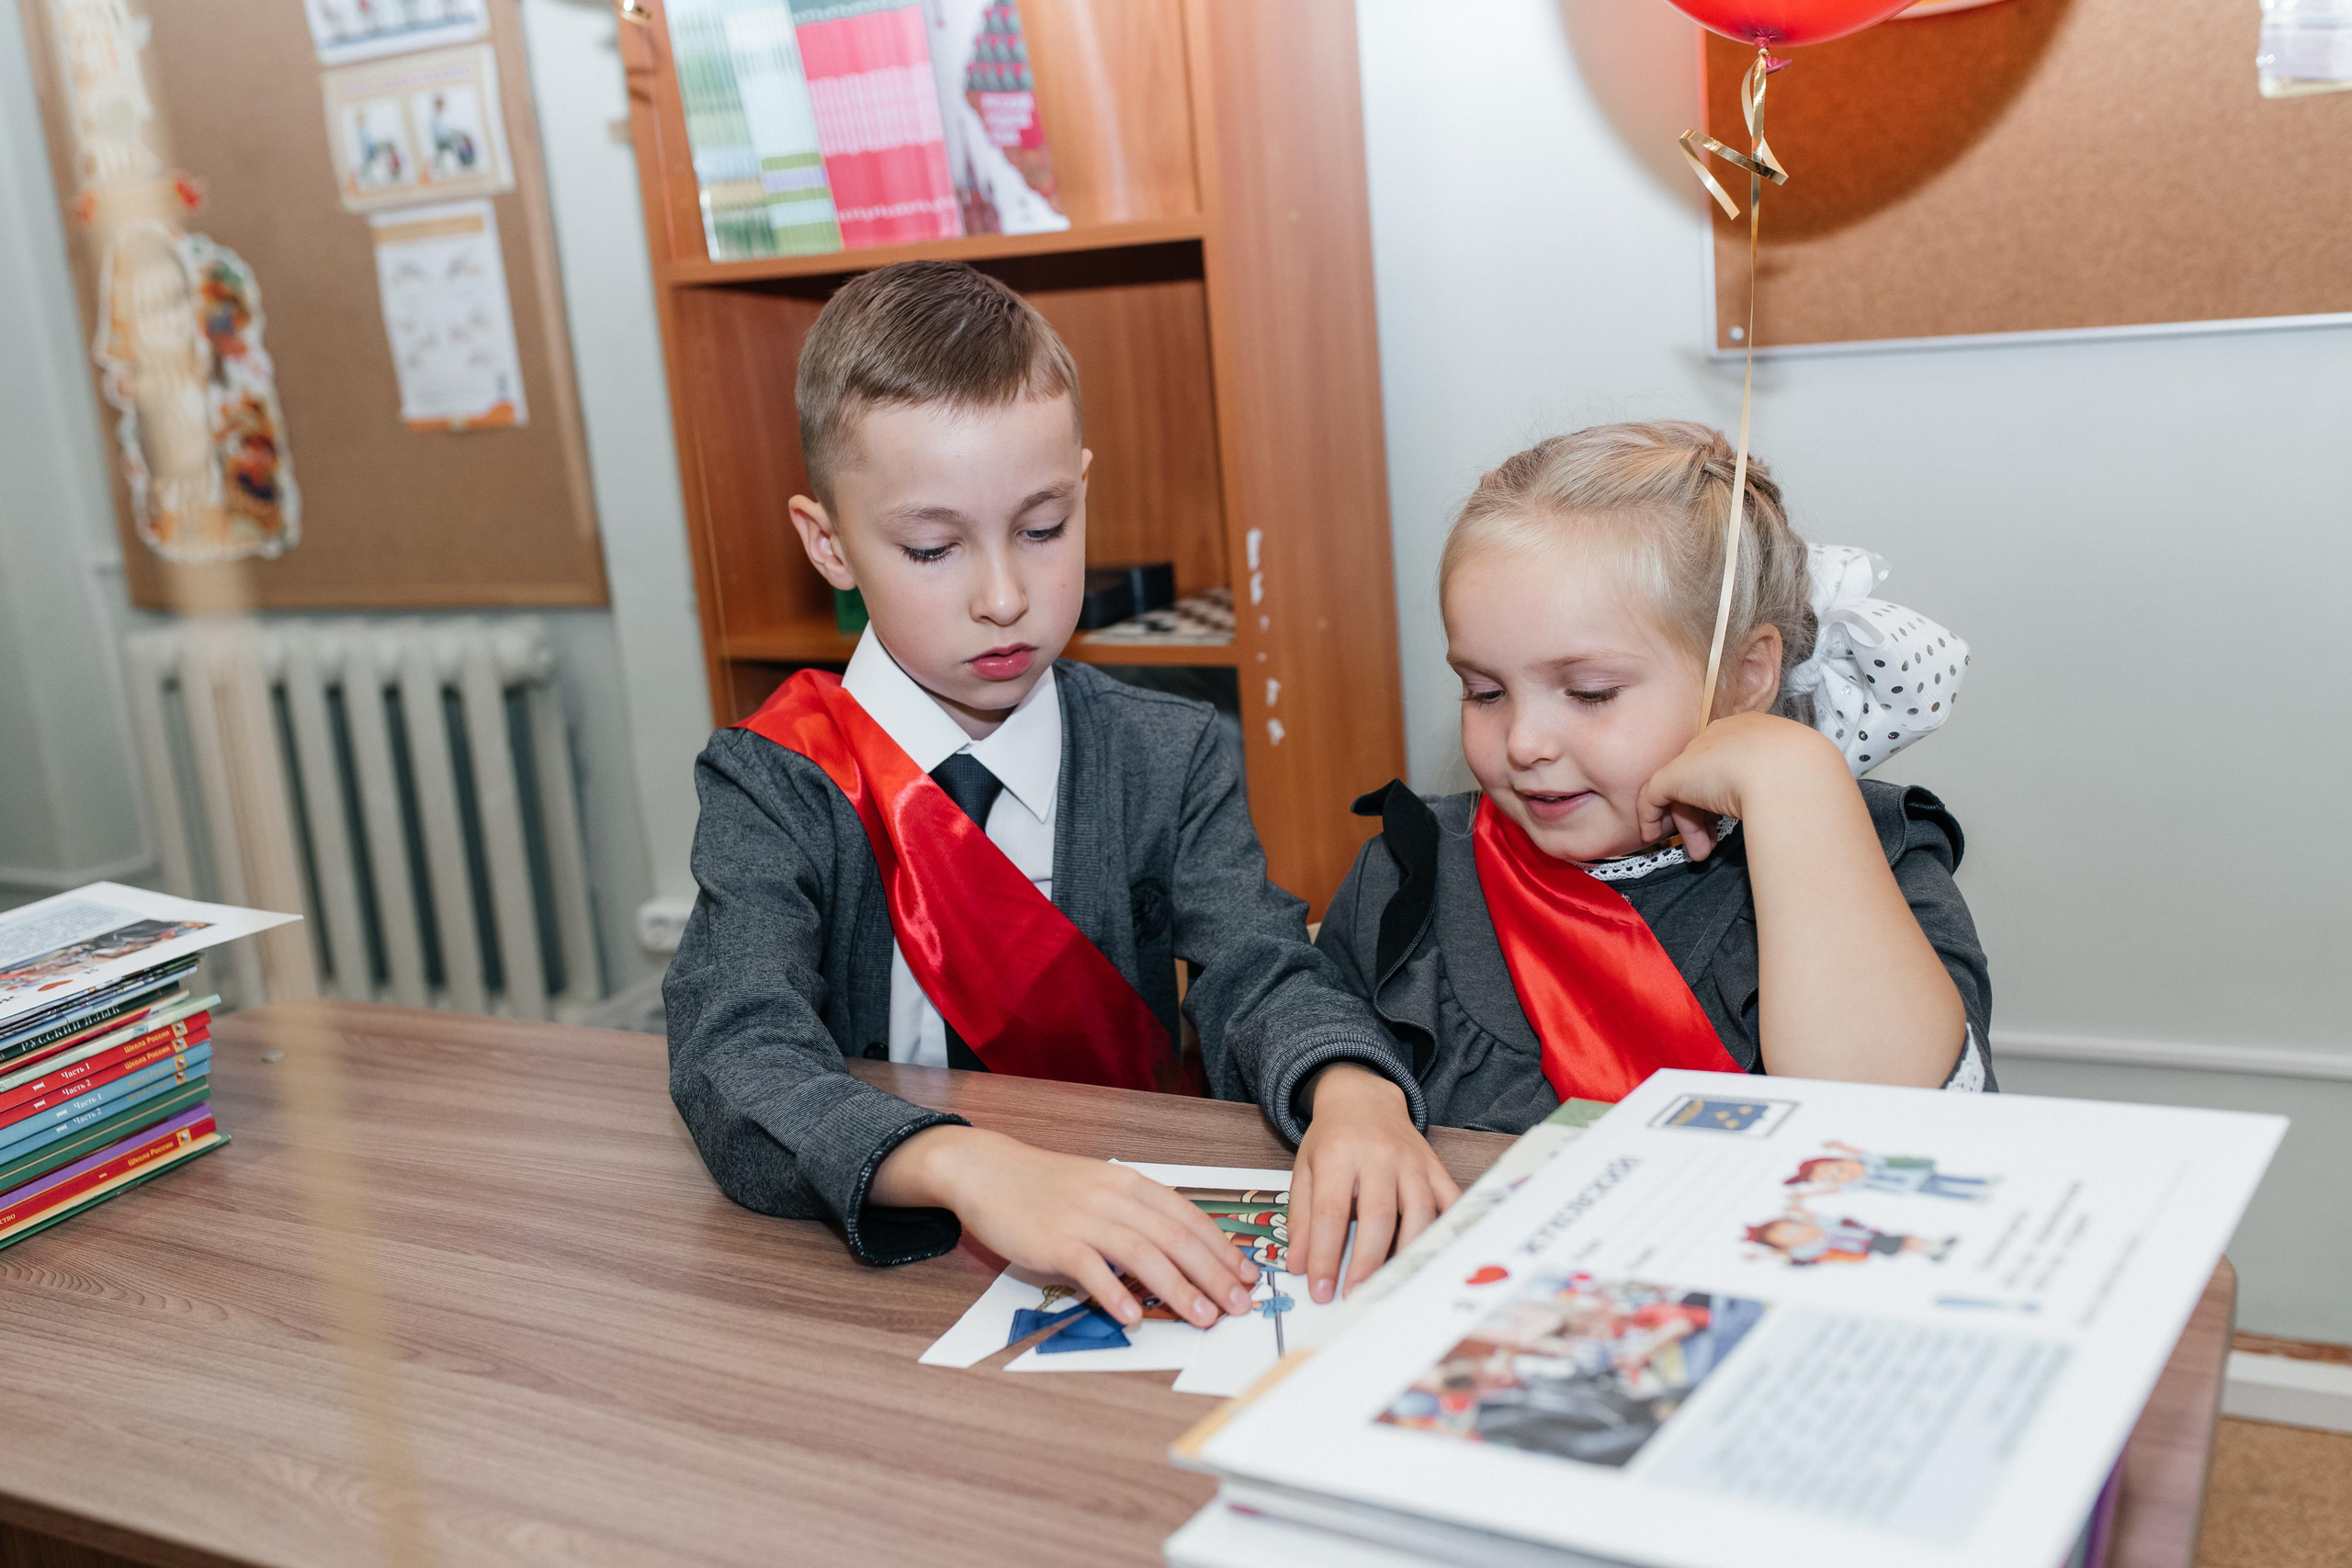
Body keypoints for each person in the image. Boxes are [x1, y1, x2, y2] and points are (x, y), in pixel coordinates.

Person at [664, 261, 1455, 1331]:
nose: (1004, 598)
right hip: (892, 1262)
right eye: (934, 548)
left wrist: (1352, 1089)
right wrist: (968, 1168)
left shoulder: (1164, 753)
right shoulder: (775, 780)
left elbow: (1257, 969)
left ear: (1082, 489)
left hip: (1135, 1226)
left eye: (1042, 529)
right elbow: (736, 1053)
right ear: (828, 542)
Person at [1286, 420, 1993, 1301]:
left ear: (1743, 676)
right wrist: (1351, 1083)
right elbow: (1298, 1010)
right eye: (1483, 691)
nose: (1525, 741)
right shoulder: (1415, 867)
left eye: (1589, 693)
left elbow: (1886, 1141)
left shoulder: (1871, 856)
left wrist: (1795, 779)